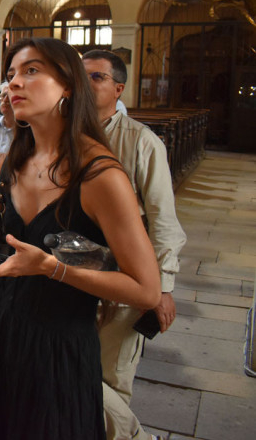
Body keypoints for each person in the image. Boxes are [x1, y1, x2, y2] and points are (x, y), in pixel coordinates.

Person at [0, 38, 160, 439]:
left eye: (31, 70)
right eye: (11, 74)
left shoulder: (100, 175)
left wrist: (52, 268)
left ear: (68, 85)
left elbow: (146, 290)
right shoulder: (13, 162)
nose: (14, 83)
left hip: (58, 347)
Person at [82, 49, 186, 440]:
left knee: (111, 377)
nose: (86, 83)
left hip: (124, 276)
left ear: (118, 89)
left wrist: (163, 287)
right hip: (72, 272)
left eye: (97, 77)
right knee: (71, 369)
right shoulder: (62, 133)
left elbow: (163, 219)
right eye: (80, 76)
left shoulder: (141, 142)